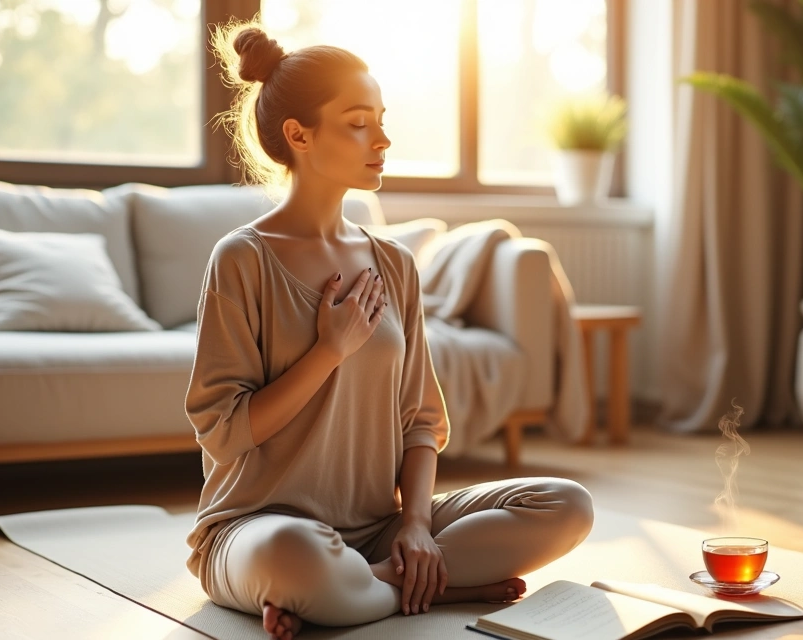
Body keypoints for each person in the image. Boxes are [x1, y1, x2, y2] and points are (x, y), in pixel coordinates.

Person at [183, 21, 596, 640]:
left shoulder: (393, 263)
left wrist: (418, 524)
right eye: (358, 122)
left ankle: (357, 587)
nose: (382, 138)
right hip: (258, 528)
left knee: (568, 505)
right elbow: (224, 432)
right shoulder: (241, 259)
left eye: (381, 117)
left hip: (381, 526)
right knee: (295, 557)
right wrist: (329, 350)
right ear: (299, 134)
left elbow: (421, 419)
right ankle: (427, 589)